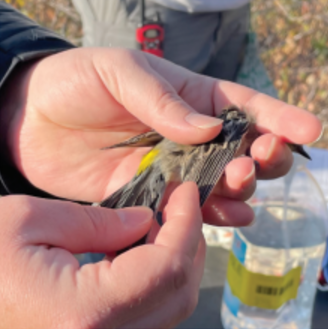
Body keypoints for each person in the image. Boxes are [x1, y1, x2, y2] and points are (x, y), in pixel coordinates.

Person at [0, 2, 322, 328]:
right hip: (159, 36)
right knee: (147, 216)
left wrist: (17, 91)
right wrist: (195, 191)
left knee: (145, 210)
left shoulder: (235, 125)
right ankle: (112, 259)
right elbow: (204, 155)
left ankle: (117, 256)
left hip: (163, 152)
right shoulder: (237, 122)